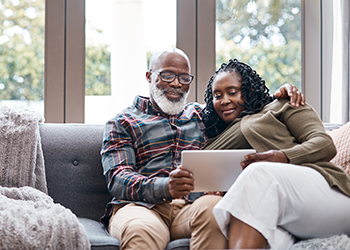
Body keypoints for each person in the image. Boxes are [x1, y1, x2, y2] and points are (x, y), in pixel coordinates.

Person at [100, 48, 304, 250]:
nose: (176, 83)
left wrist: (280, 95)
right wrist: (165, 187)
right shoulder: (122, 122)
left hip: (191, 207)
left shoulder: (201, 115)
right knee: (142, 230)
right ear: (149, 76)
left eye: (184, 78)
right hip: (141, 208)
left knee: (215, 210)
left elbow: (245, 110)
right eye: (167, 75)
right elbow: (118, 178)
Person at [200, 58, 350, 249]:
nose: (225, 100)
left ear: (249, 90)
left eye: (232, 92)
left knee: (258, 173)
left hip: (327, 193)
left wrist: (283, 157)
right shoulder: (214, 136)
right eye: (217, 95)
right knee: (235, 215)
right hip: (277, 209)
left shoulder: (282, 104)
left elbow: (324, 144)